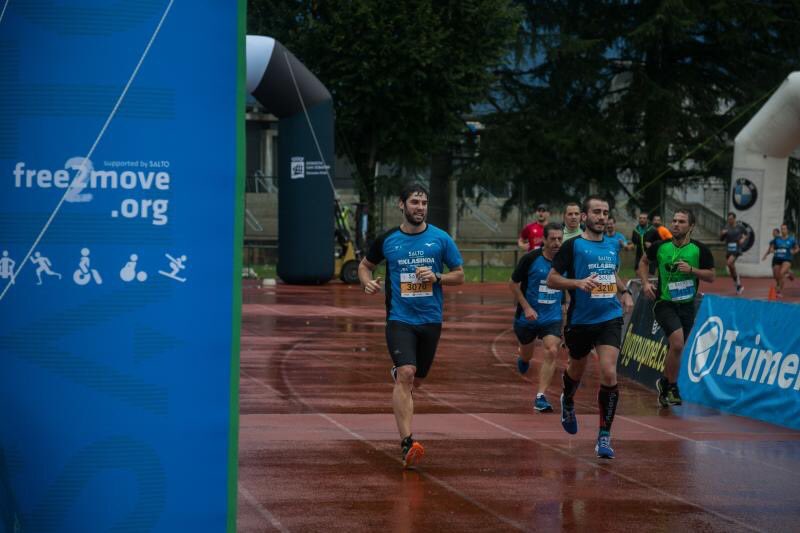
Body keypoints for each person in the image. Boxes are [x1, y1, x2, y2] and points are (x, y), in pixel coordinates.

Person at [358, 183, 464, 469]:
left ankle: (401, 374)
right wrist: (366, 282)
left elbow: (460, 275)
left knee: (416, 379)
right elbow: (365, 265)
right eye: (415, 202)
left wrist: (438, 276)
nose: (420, 208)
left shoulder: (441, 239)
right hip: (399, 319)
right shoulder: (388, 240)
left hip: (430, 320)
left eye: (424, 203)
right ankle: (407, 443)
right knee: (406, 373)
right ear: (401, 204)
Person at [547, 196, 634, 459]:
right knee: (577, 367)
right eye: (596, 212)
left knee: (609, 372)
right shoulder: (572, 246)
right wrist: (577, 283)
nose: (601, 216)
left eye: (605, 212)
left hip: (610, 316)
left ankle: (604, 437)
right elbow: (552, 280)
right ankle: (568, 400)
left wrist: (626, 291)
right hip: (581, 320)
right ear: (585, 216)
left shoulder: (612, 244)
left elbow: (611, 273)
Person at [638, 209, 715, 407]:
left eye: (681, 222)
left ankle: (664, 383)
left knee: (676, 348)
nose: (676, 224)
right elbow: (643, 263)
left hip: (687, 306)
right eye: (674, 221)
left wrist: (692, 270)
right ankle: (672, 387)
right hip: (664, 303)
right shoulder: (660, 246)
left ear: (691, 226)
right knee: (678, 343)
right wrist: (646, 283)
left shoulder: (699, 250)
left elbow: (711, 276)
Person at [510, 222, 565, 413]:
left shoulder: (566, 260)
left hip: (552, 316)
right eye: (553, 239)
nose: (557, 243)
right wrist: (526, 308)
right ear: (544, 239)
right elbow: (513, 283)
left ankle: (540, 396)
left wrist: (568, 311)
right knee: (527, 354)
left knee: (551, 350)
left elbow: (569, 285)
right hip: (528, 317)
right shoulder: (531, 258)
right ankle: (523, 358)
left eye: (560, 239)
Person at [762, 223, 798, 298]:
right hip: (777, 259)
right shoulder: (777, 239)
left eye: (784, 229)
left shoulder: (792, 239)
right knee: (776, 276)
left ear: (787, 230)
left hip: (787, 259)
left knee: (781, 273)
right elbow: (772, 247)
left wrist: (793, 252)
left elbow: (797, 248)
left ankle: (778, 291)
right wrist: (771, 250)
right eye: (782, 229)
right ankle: (788, 274)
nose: (783, 230)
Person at [720, 212, 746, 295]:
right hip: (729, 250)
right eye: (728, 219)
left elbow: (746, 234)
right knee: (731, 267)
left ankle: (737, 283)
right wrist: (722, 234)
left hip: (736, 249)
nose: (729, 220)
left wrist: (743, 239)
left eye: (731, 219)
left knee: (729, 263)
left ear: (734, 219)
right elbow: (721, 239)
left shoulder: (740, 227)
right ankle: (738, 284)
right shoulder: (726, 227)